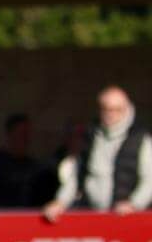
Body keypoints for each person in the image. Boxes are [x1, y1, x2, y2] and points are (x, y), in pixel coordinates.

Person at [43, 85, 152, 221]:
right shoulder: (91, 137)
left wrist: (134, 204)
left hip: (127, 219)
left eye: (117, 110)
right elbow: (76, 176)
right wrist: (60, 202)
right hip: (94, 217)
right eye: (106, 109)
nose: (111, 114)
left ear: (127, 110)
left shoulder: (140, 139)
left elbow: (149, 181)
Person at [0, 113, 52, 209]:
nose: (26, 139)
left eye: (27, 134)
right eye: (21, 134)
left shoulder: (36, 168)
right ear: (9, 135)